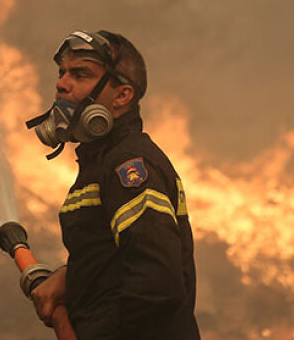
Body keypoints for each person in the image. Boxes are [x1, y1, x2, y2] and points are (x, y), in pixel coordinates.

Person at [25, 30, 199, 340]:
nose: (62, 83)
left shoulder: (129, 164)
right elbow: (115, 262)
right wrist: (70, 279)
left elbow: (157, 285)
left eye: (80, 74)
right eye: (62, 72)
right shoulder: (101, 163)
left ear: (122, 96)